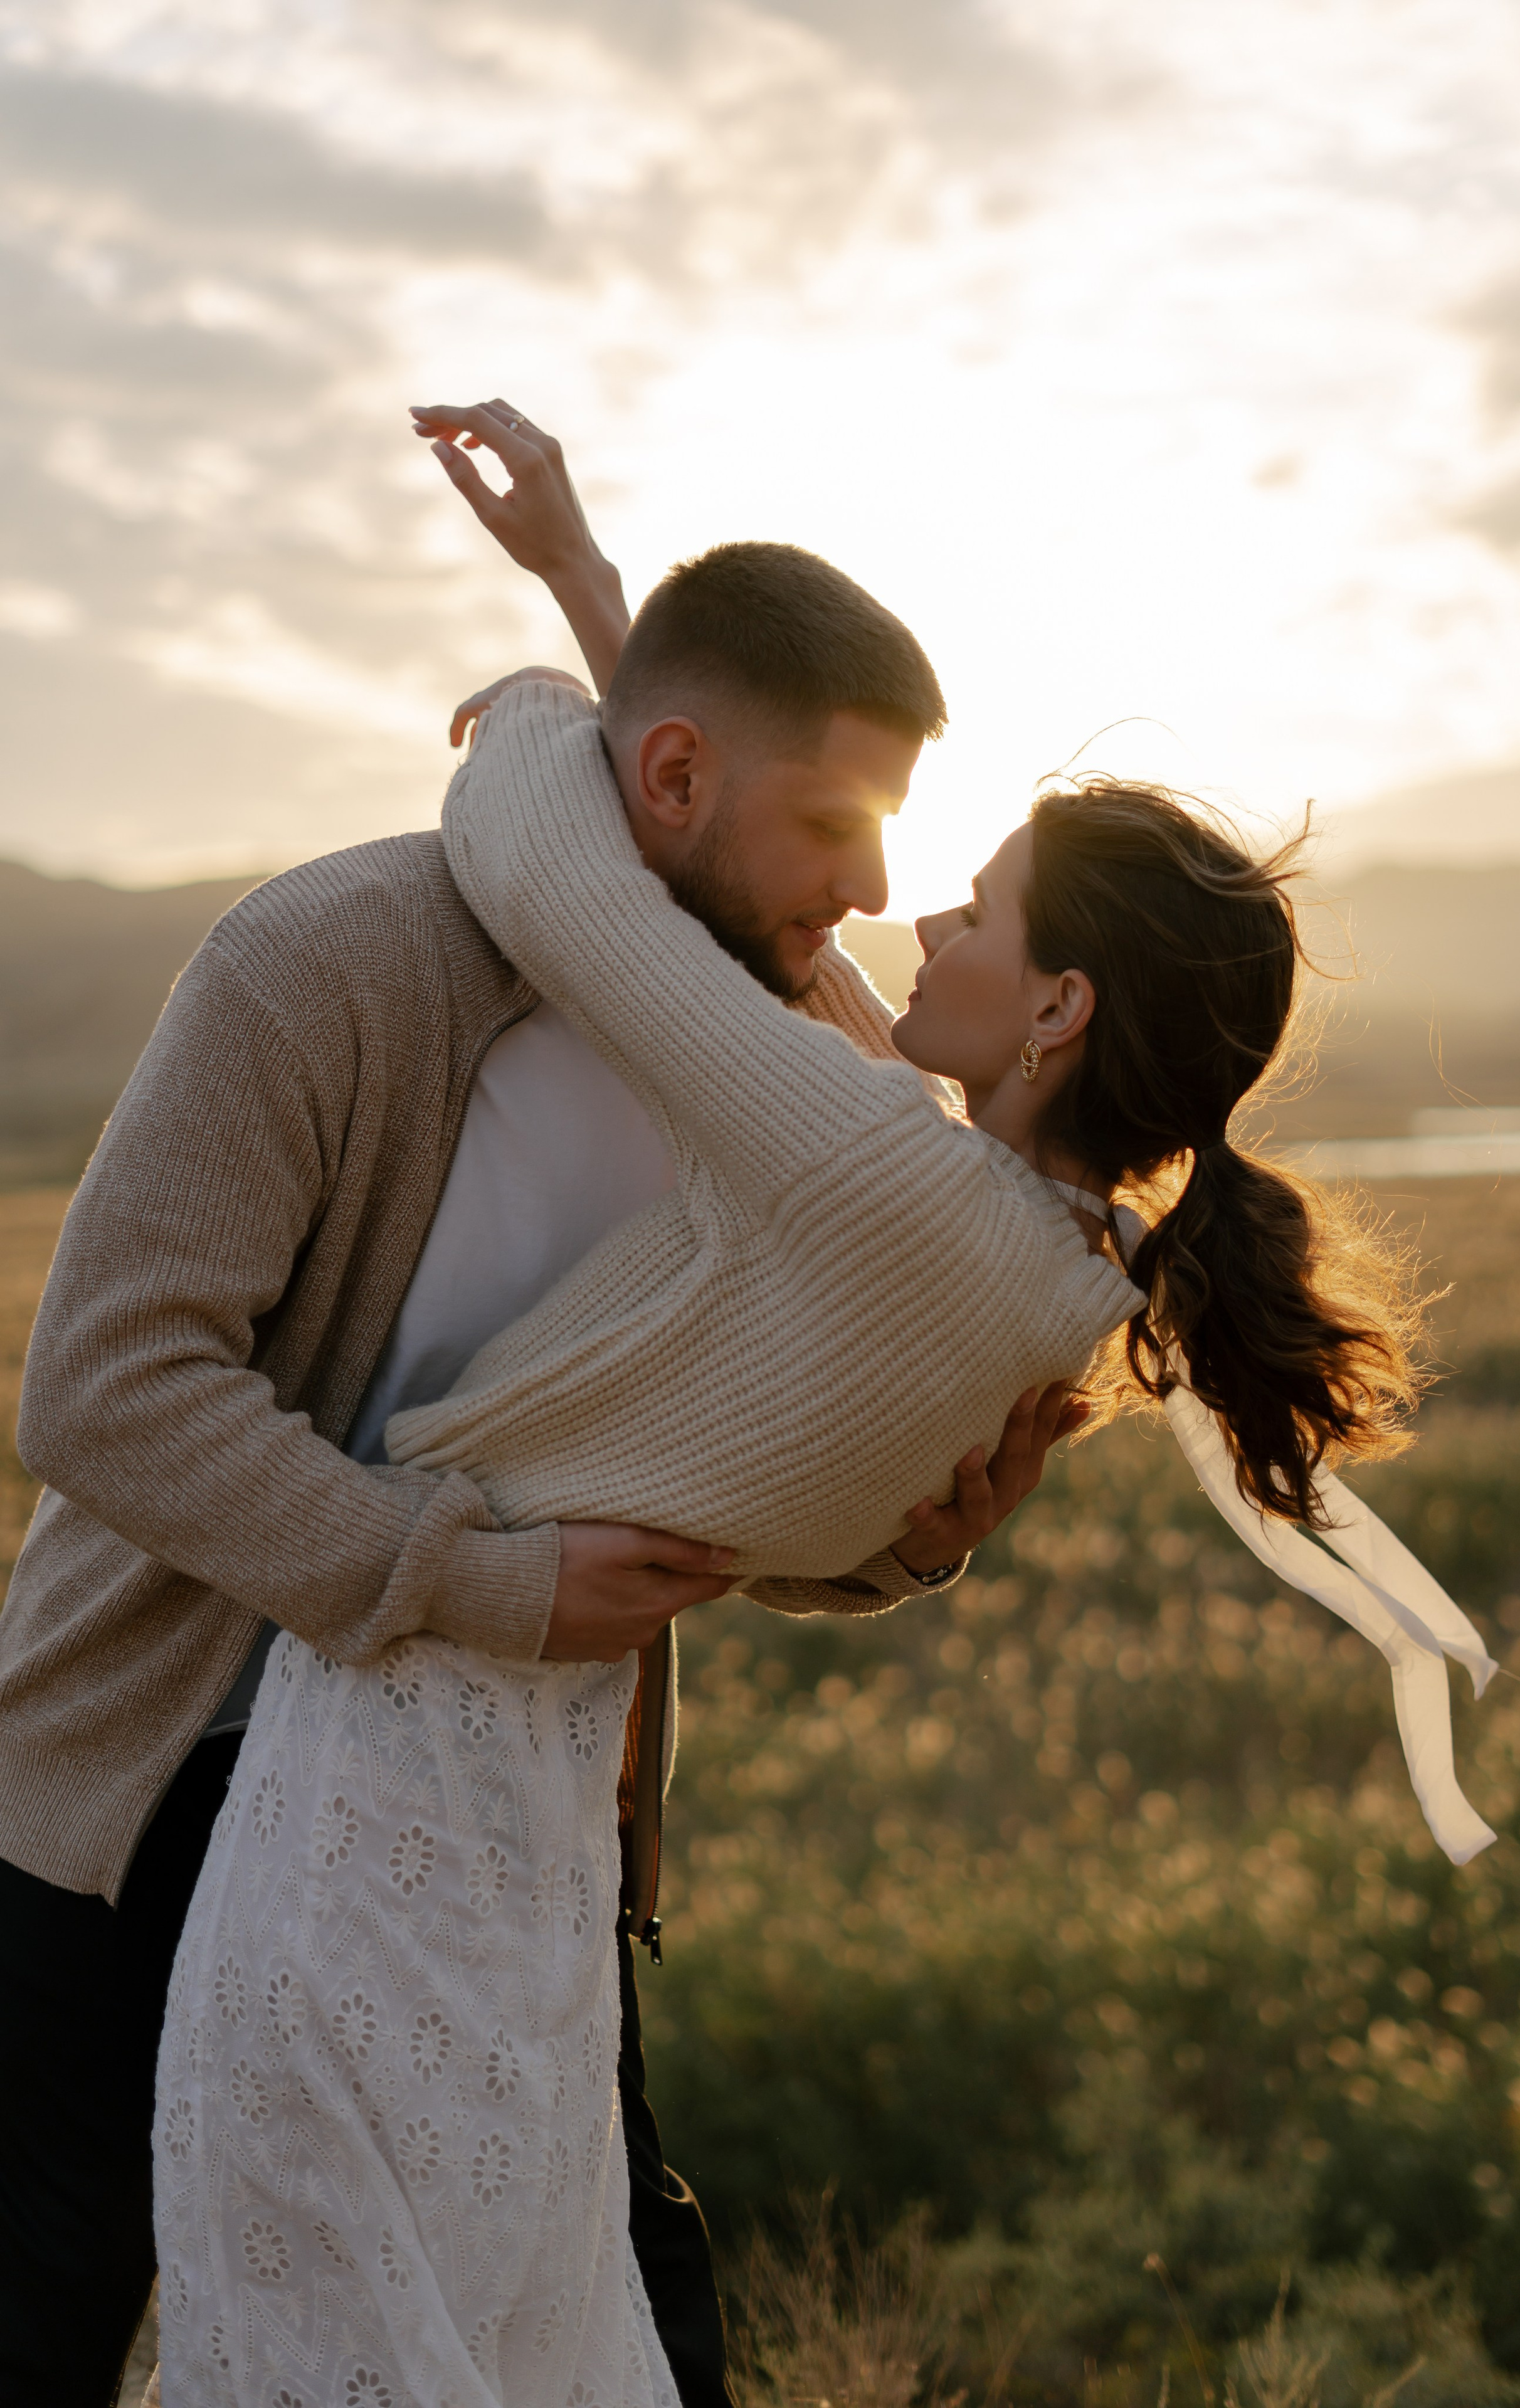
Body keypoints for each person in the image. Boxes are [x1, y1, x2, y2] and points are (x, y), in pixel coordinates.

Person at [152, 408, 1498, 2406]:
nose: (909, 927)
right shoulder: (1049, 1262)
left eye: (974, 909)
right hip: (540, 1829)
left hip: (379, 1780)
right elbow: (817, 1006)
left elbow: (567, 878)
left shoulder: (879, 1176)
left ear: (1056, 1014)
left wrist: (543, 697)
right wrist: (603, 599)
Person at [0, 456, 1063, 2408]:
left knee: (636, 2337)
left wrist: (906, 1539)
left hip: (497, 1831)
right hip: (140, 1800)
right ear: (670, 784)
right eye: (835, 823)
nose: (876, 899)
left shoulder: (805, 1065)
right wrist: (471, 1584)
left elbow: (702, 1511)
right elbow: (106, 1390)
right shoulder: (329, 962)